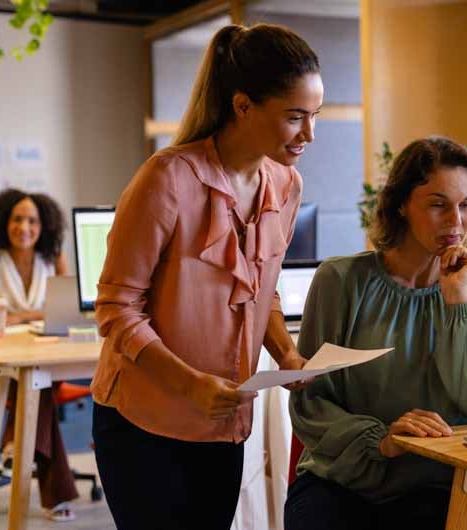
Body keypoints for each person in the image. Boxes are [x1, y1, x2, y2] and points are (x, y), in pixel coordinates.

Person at [91, 23, 321, 530]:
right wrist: (191, 384)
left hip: (222, 422)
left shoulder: (285, 185)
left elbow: (262, 290)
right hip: (142, 422)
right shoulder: (167, 179)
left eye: (314, 117)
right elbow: (116, 309)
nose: (309, 134)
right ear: (243, 106)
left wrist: (286, 354)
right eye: (295, 118)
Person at [285, 136, 467, 530]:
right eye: (437, 205)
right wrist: (382, 441)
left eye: (466, 205)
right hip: (342, 480)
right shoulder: (340, 281)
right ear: (401, 206)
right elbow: (310, 403)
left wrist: (457, 298)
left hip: (441, 484)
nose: (455, 221)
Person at [0, 188, 79, 522]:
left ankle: (17, 443)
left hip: (48, 356)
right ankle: (54, 493)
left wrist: (19, 317)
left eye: (32, 220)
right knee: (34, 381)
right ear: (3, 223)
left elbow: (68, 311)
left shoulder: (53, 260)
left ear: (44, 227)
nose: (24, 226)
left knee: (37, 377)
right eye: (17, 219)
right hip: (1, 366)